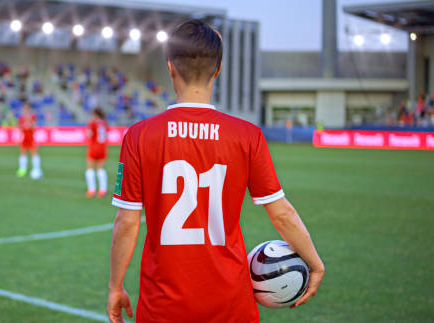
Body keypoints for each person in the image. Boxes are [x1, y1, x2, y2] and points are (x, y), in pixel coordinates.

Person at [107, 20, 324, 323]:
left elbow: (127, 222)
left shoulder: (139, 136)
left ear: (170, 67)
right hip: (231, 305)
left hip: (162, 306)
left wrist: (115, 287)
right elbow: (282, 214)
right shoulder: (247, 135)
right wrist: (314, 264)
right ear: (218, 69)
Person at [85, 108, 109, 198]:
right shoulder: (104, 123)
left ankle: (91, 190)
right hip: (102, 147)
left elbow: (89, 134)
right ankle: (103, 190)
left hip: (94, 147)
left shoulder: (92, 122)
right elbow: (106, 135)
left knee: (90, 169)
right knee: (101, 169)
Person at [16, 101, 42, 179]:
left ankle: (36, 169)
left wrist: (30, 120)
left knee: (34, 152)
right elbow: (20, 128)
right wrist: (19, 138)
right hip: (24, 138)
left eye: (27, 108)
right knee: (23, 152)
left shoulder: (33, 116)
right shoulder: (21, 118)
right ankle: (22, 169)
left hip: (31, 137)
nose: (25, 110)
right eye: (24, 109)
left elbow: (34, 127)